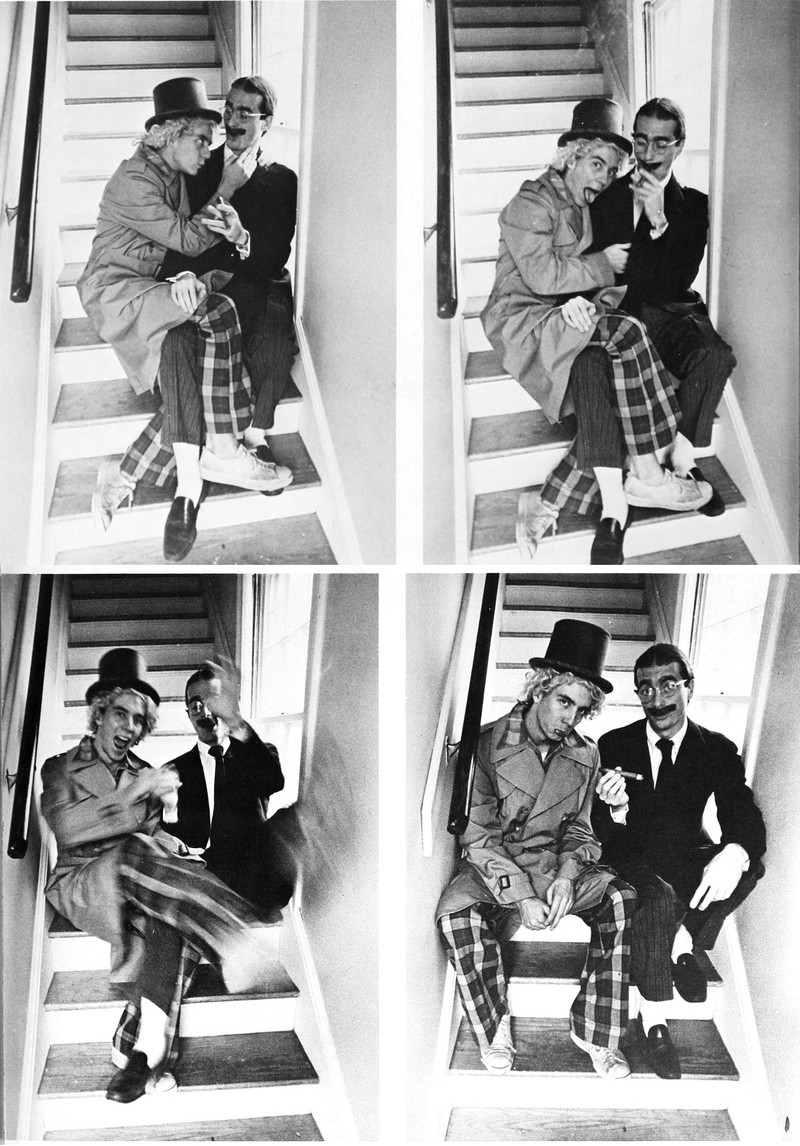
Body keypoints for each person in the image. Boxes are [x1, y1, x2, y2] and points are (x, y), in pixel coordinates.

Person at [481, 98, 712, 567]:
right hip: (524, 320)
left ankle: (545, 501)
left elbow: (605, 282)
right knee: (628, 334)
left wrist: (584, 299)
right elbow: (543, 276)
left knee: (608, 375)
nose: (604, 178)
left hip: (567, 313)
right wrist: (597, 271)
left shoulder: (585, 204)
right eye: (595, 164)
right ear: (571, 157)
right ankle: (648, 472)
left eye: (611, 169)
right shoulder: (531, 202)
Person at [41, 648, 275, 1104]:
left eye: (139, 720)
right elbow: (68, 828)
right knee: (142, 858)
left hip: (140, 880)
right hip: (85, 880)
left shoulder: (146, 773)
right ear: (99, 713)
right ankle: (225, 930)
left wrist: (178, 845)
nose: (130, 727)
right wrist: (135, 795)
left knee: (169, 910)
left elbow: (154, 837)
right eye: (121, 714)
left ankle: (142, 1049)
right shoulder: (61, 767)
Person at [77, 76, 290, 561]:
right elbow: (188, 241)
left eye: (213, 138)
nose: (209, 146)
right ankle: (223, 452)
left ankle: (138, 473)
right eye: (202, 139)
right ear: (170, 135)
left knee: (209, 330)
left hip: (152, 282)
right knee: (216, 316)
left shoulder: (174, 170)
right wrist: (228, 188)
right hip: (119, 291)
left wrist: (221, 249)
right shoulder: (137, 180)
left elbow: (229, 248)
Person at [436, 620, 638, 1080]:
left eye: (581, 710)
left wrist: (567, 876)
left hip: (555, 865)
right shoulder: (485, 745)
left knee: (621, 898)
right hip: (497, 865)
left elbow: (582, 831)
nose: (570, 719)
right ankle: (493, 1027)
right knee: (455, 916)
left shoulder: (586, 754)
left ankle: (596, 1032)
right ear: (539, 688)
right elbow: (478, 836)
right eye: (564, 701)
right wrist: (523, 897)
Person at [593, 643, 766, 1078]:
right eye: (645, 688)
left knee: (750, 864)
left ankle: (683, 939)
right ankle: (654, 1021)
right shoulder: (613, 744)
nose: (657, 699)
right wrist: (616, 810)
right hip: (630, 859)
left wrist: (734, 851)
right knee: (655, 900)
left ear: (689, 687)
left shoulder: (716, 748)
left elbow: (741, 812)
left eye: (668, 685)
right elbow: (595, 827)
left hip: (683, 855)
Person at [583, 97, 736, 539]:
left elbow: (678, 278)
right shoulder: (605, 198)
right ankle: (614, 504)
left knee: (715, 355)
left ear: (679, 145)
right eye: (640, 141)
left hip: (671, 311)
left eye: (661, 143)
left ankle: (682, 459)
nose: (648, 153)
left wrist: (659, 221)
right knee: (591, 367)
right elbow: (599, 270)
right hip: (622, 314)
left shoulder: (695, 204)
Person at [160, 75, 298, 490]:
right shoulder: (197, 168)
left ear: (266, 122)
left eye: (245, 112)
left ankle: (252, 440)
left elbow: (276, 256)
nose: (232, 120)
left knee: (275, 338)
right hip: (210, 289)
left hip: (256, 284)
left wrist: (241, 237)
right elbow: (178, 237)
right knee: (179, 341)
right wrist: (184, 273)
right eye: (229, 109)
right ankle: (201, 469)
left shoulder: (282, 179)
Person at [161, 658, 294, 916]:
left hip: (250, 875)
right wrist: (170, 808)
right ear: (188, 715)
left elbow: (274, 781)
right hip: (201, 874)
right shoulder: (174, 770)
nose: (205, 712)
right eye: (195, 705)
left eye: (212, 701)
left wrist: (235, 719)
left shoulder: (255, 754)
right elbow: (172, 837)